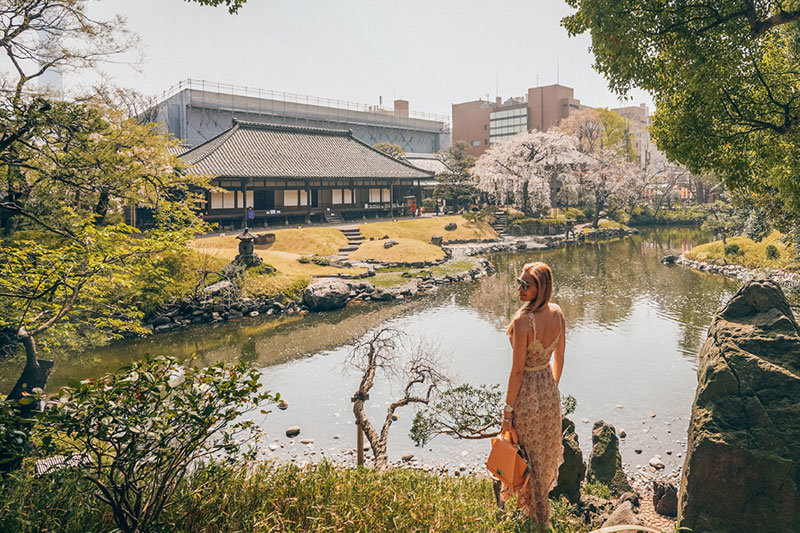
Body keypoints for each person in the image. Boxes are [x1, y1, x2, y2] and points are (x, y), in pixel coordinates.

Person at [501, 261, 565, 527]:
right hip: (549, 393)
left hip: (526, 395)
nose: (519, 288)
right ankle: (540, 517)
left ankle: (537, 520)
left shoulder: (522, 322)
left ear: (541, 288)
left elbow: (517, 372)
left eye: (526, 285)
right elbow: (559, 358)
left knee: (525, 457)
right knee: (541, 458)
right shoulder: (558, 313)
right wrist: (551, 389)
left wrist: (507, 411)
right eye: (519, 281)